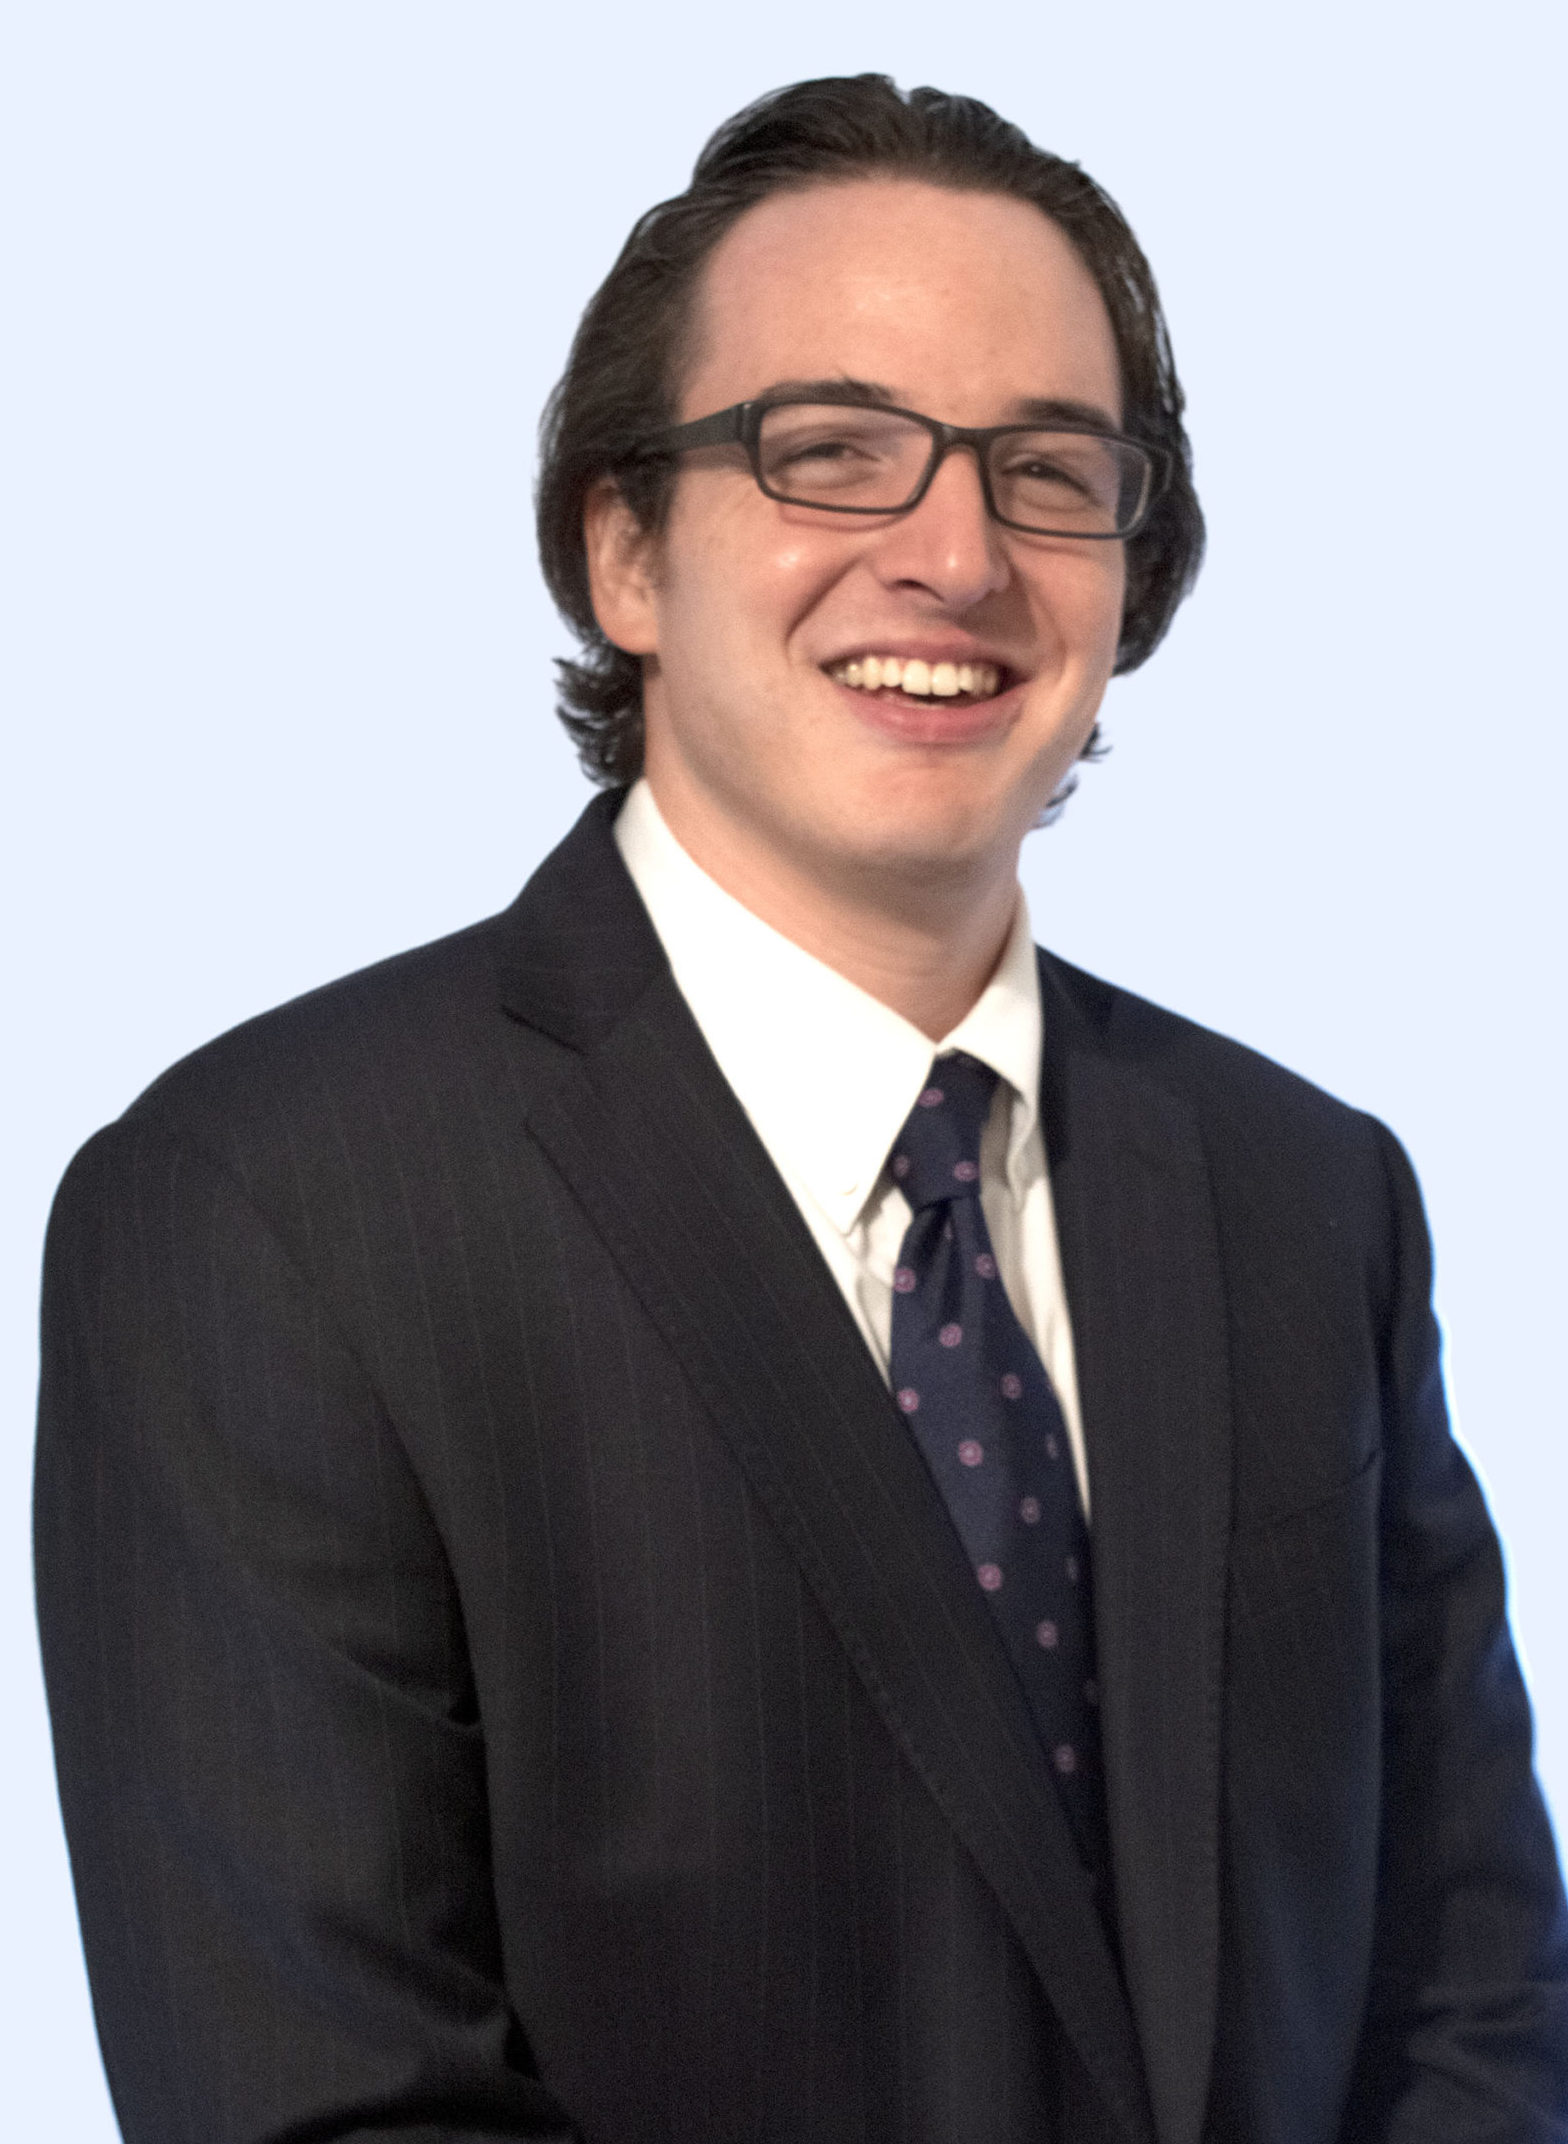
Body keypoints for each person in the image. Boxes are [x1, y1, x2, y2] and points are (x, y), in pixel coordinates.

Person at [34, 73, 1568, 2144]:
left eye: (1047, 473)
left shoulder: (1308, 1195)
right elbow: (327, 2102)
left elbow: (1474, 1996)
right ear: (624, 553)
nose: (951, 554)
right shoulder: (267, 1215)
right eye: (827, 452)